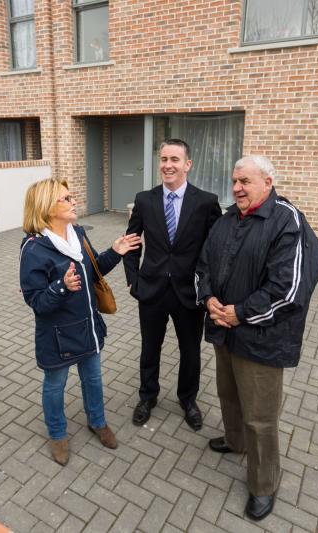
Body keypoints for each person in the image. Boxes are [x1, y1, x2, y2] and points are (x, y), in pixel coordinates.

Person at [195, 155, 318, 521]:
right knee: (228, 395)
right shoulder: (227, 219)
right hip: (224, 330)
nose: (237, 188)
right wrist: (209, 300)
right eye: (234, 181)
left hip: (262, 338)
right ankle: (235, 442)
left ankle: (264, 483)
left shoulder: (287, 221)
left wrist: (239, 313)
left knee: (260, 417)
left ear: (268, 182)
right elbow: (203, 266)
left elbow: (290, 289)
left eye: (245, 181)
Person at [20, 177, 141, 465]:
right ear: (47, 206)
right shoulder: (34, 249)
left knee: (94, 379)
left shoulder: (78, 234)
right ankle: (58, 433)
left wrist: (116, 252)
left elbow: (93, 270)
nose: (74, 202)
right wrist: (60, 287)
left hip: (88, 326)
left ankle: (97, 421)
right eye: (66, 198)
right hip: (57, 336)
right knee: (54, 385)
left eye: (72, 197)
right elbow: (36, 301)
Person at [123, 139, 222, 430]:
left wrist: (208, 287)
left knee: (190, 349)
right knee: (149, 346)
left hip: (189, 293)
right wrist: (133, 280)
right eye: (164, 159)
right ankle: (147, 396)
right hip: (151, 290)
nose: (168, 165)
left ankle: (188, 399)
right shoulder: (144, 199)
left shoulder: (206, 202)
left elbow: (216, 249)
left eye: (175, 159)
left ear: (187, 164)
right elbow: (132, 243)